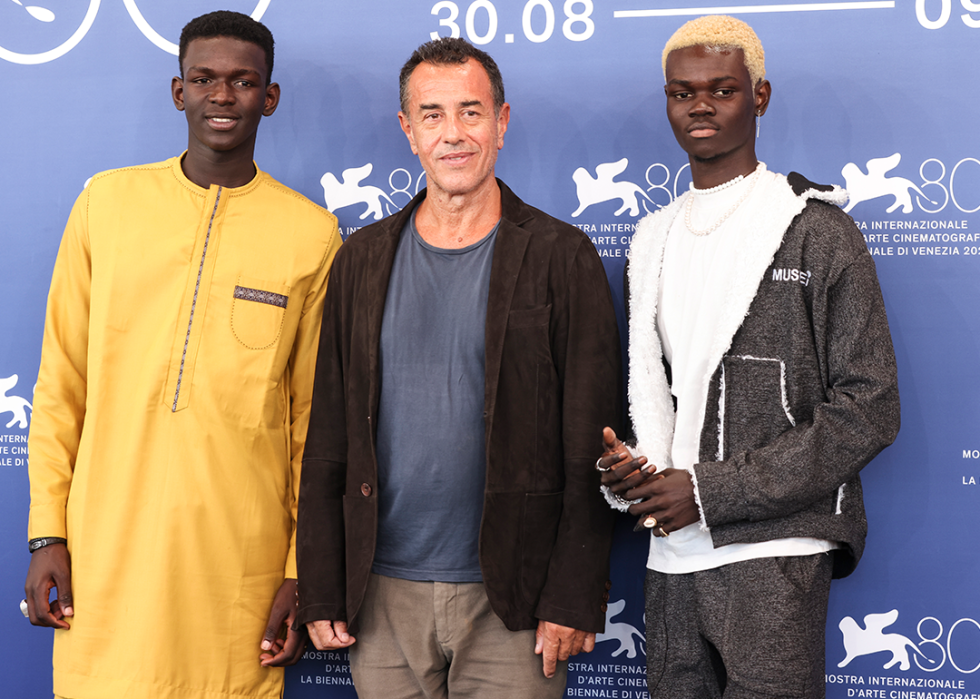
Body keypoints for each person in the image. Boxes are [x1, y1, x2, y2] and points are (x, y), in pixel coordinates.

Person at [23, 11, 341, 699]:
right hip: (104, 560)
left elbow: (313, 426)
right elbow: (60, 386)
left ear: (270, 96)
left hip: (238, 574)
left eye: (242, 81)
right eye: (204, 79)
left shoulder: (311, 235)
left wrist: (298, 566)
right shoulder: (105, 205)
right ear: (178, 91)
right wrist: (46, 533)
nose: (222, 96)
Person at [296, 36, 621, 699]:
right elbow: (329, 436)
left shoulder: (563, 255)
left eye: (471, 112)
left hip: (516, 597)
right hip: (380, 594)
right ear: (408, 130)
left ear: (501, 123)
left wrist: (572, 593)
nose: (454, 134)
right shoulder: (359, 261)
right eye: (434, 114)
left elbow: (595, 442)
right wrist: (323, 585)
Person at [598, 15, 900, 699]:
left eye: (722, 90)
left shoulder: (816, 230)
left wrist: (709, 491)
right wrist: (634, 473)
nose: (699, 106)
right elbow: (658, 399)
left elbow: (870, 407)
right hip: (671, 556)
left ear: (759, 96)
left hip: (776, 551)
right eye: (682, 92)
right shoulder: (652, 239)